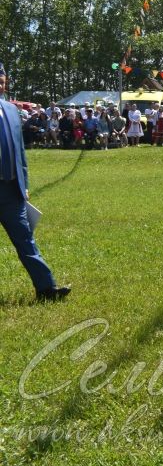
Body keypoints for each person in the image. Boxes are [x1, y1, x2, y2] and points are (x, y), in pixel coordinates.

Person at [0, 65, 70, 302]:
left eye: (2, 82)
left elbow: (20, 152)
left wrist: (25, 183)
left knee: (26, 240)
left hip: (11, 190)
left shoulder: (11, 110)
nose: (0, 86)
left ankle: (46, 289)